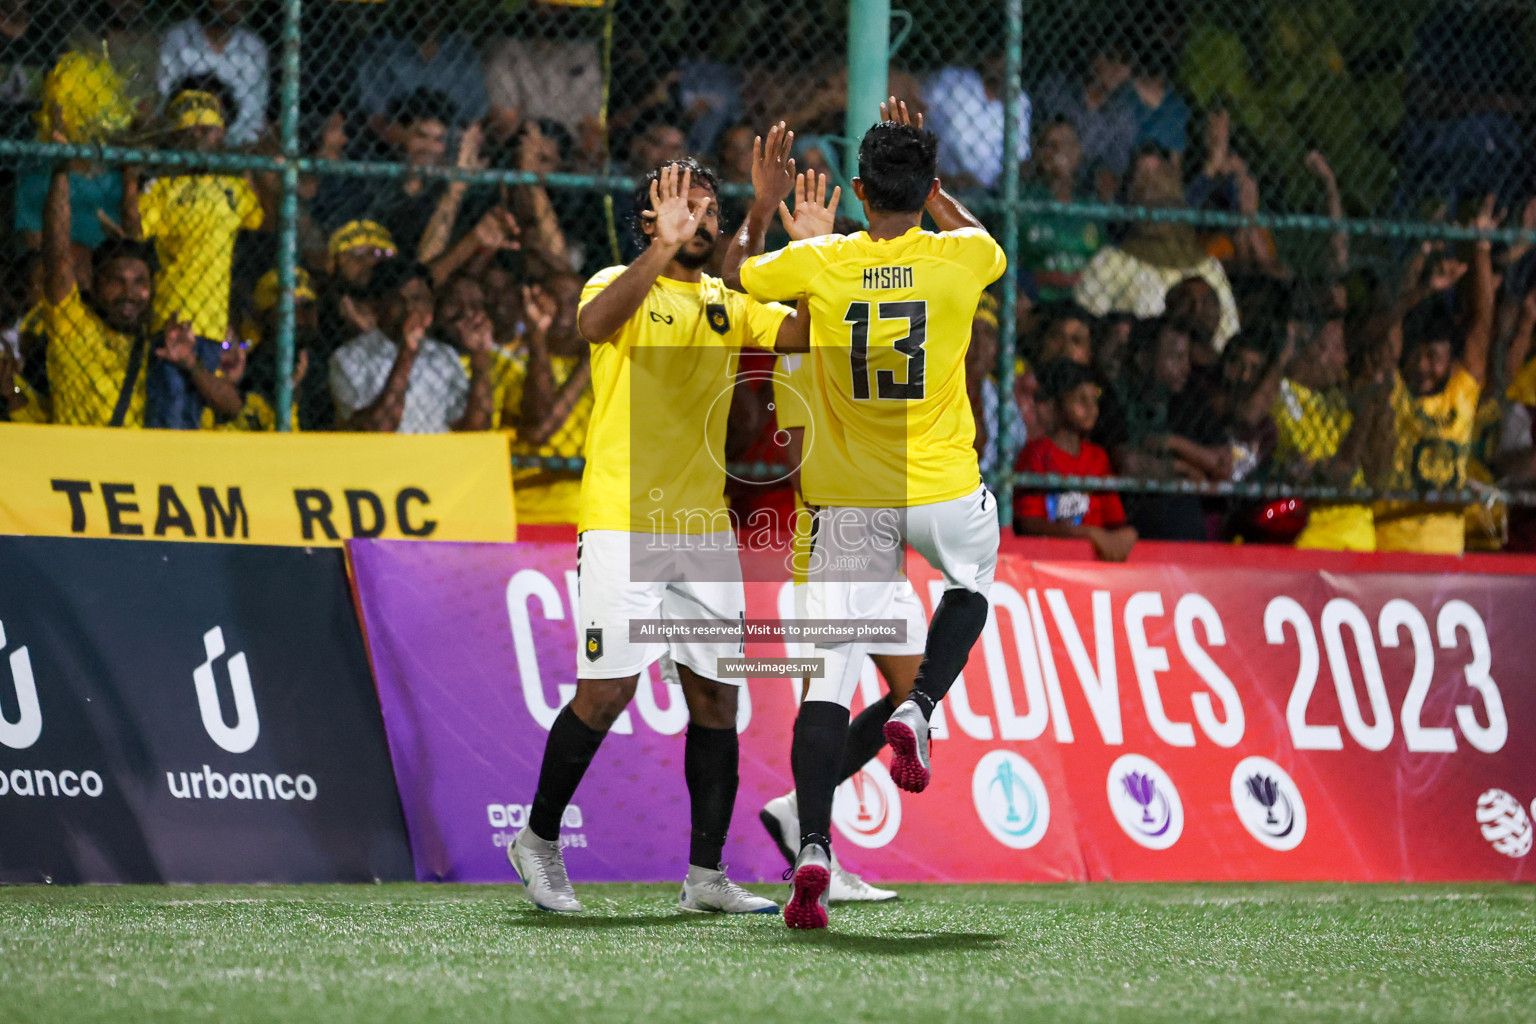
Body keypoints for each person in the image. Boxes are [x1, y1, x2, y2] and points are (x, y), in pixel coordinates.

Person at [727, 102, 1004, 930]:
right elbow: (982, 240)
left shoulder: (824, 265)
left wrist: (764, 205)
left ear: (853, 191)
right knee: (972, 583)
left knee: (827, 684)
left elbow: (742, 273)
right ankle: (918, 712)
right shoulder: (961, 259)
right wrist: (933, 185)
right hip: (942, 486)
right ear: (925, 189)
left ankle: (811, 843)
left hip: (848, 507)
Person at [506, 158, 804, 917]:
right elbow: (591, 328)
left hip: (703, 531)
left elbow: (799, 328)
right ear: (650, 221)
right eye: (686, 210)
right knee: (607, 693)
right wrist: (663, 252)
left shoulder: (725, 300)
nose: (704, 222)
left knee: (715, 698)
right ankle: (537, 841)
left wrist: (783, 234)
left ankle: (706, 877)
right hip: (621, 521)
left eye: (711, 211)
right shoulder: (618, 281)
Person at [42, 155, 236, 427]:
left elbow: (233, 407)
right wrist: (61, 169)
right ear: (95, 285)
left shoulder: (162, 344)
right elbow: (57, 259)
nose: (128, 293)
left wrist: (191, 363)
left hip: (136, 468)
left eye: (140, 282)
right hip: (78, 466)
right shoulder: (74, 325)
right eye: (116, 280)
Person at [1373, 202, 1496, 554]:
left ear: (1450, 360)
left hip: (1446, 556)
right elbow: (1389, 326)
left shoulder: (1460, 394)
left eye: (1435, 359)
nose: (1425, 368)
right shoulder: (1395, 392)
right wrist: (1422, 281)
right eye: (1420, 357)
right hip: (1390, 548)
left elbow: (1482, 325)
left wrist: (1482, 248)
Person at [328, 257, 493, 434]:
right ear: (379, 305)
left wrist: (480, 359)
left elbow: (477, 428)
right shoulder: (350, 357)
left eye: (419, 299)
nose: (410, 308)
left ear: (431, 305)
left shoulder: (444, 355)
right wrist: (408, 351)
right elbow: (378, 430)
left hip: (437, 459)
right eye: (400, 300)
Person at [1013, 358, 1137, 561]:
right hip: (1050, 559)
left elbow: (1114, 519)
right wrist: (1088, 534)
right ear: (1058, 404)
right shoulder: (1036, 453)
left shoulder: (1097, 456)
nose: (1092, 408)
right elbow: (1029, 523)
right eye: (1081, 400)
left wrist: (1127, 533)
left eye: (1094, 400)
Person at [157, 0, 267, 147]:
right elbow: (163, 101)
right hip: (182, 140)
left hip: (234, 147)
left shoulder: (253, 47)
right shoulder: (177, 37)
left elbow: (254, 117)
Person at [1020, 117, 1102, 303]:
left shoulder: (1091, 206)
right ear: (1038, 153)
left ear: (1079, 152)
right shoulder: (1024, 203)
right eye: (1051, 145)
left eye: (1067, 144)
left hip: (1088, 303)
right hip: (1036, 300)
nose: (1059, 151)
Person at [921, 54, 1030, 193]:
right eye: (997, 56)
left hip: (993, 193)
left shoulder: (1020, 101)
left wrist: (988, 185)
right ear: (986, 58)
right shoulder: (954, 81)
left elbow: (1021, 159)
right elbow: (917, 111)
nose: (1003, 64)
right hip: (941, 183)